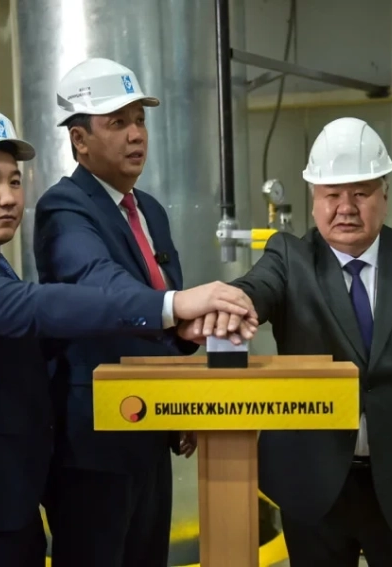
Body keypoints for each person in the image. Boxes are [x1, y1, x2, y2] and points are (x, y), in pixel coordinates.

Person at [0, 102, 255, 567]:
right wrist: (171, 305)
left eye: (14, 181)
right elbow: (41, 307)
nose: (8, 197)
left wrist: (170, 388)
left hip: (0, 494)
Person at [187, 117, 392, 566]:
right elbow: (256, 288)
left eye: (361, 193)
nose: (346, 208)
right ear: (314, 200)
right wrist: (233, 303)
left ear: (384, 196)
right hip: (313, 484)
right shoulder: (288, 258)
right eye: (332, 195)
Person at [35, 57, 252, 567]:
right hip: (94, 443)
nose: (136, 135)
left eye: (140, 120)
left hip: (151, 427)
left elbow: (159, 317)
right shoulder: (64, 208)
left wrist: (182, 391)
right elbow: (103, 287)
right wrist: (182, 304)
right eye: (117, 123)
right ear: (79, 139)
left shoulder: (148, 209)